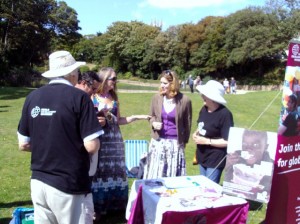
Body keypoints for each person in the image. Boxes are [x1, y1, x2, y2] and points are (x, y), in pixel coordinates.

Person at [17, 50, 104, 224]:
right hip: (68, 181)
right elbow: (91, 146)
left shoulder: (32, 97)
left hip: (38, 180)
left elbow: (23, 144)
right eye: (77, 72)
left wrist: (50, 144)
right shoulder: (80, 97)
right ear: (72, 74)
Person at [91, 67, 151, 220]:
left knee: (117, 171)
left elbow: (119, 120)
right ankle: (99, 209)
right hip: (101, 140)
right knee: (100, 172)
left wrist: (138, 117)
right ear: (104, 78)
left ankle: (117, 207)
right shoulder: (93, 96)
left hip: (115, 141)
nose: (115, 82)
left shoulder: (114, 97)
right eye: (113, 79)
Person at [143, 70, 192, 179]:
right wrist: (153, 123)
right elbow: (151, 116)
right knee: (156, 174)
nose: (162, 86)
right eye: (161, 83)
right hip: (158, 141)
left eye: (165, 83)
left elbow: (187, 123)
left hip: (175, 144)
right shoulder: (156, 98)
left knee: (172, 175)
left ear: (173, 84)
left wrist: (184, 142)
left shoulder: (185, 100)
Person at [75, 71, 105, 223]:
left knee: (87, 187)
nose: (94, 94)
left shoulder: (86, 100)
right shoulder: (75, 99)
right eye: (93, 89)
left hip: (89, 156)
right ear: (85, 83)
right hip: (79, 154)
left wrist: (99, 121)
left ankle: (87, 214)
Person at [192, 80, 233, 184]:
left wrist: (207, 141)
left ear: (213, 98)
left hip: (215, 158)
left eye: (205, 95)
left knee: (209, 188)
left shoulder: (225, 115)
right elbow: (201, 125)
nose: (202, 96)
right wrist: (196, 133)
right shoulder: (204, 109)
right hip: (202, 156)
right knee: (202, 186)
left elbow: (228, 141)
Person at [224, 129, 274, 201]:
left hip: (256, 200)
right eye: (244, 144)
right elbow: (227, 179)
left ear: (265, 147)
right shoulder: (235, 158)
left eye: (256, 145)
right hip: (235, 197)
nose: (249, 149)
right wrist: (227, 164)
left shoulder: (271, 166)